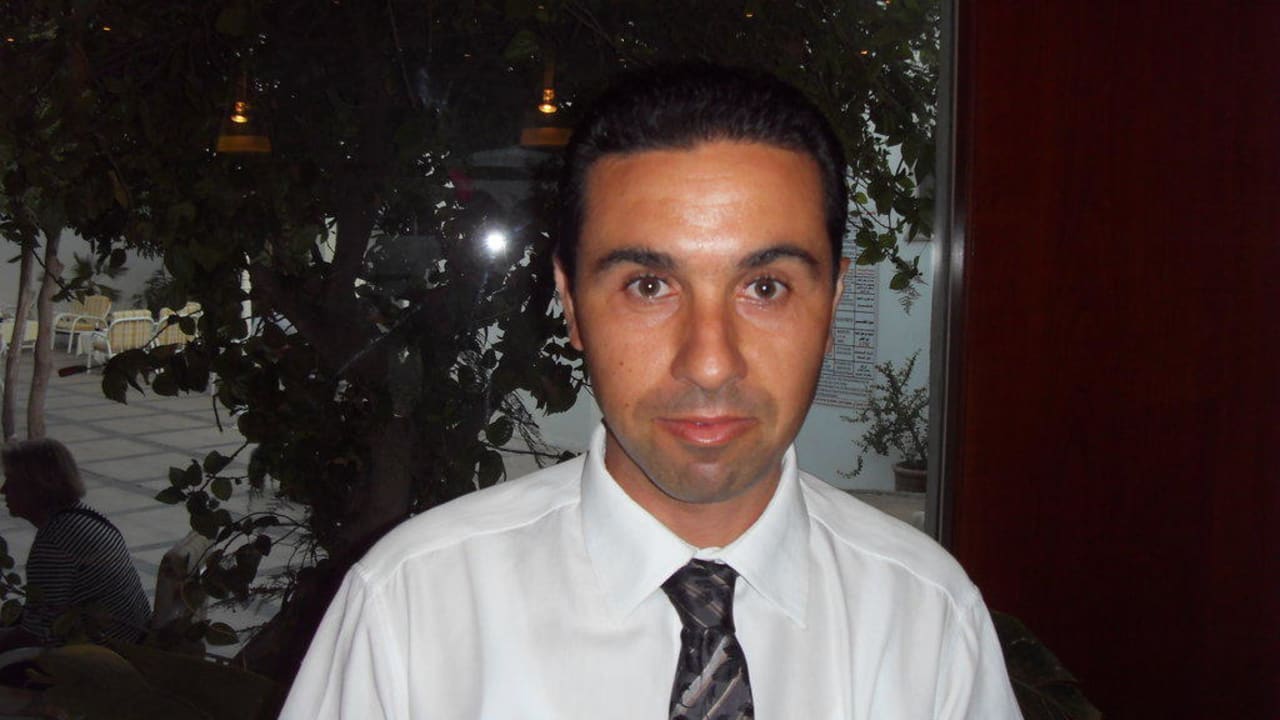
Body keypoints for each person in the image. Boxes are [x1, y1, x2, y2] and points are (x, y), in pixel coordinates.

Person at [280, 63, 1022, 719]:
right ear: (571, 304)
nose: (710, 363)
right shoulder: (410, 613)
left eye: (765, 287)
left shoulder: (927, 620)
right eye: (648, 286)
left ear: (831, 305)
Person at [0, 438, 151, 651]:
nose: (3, 490)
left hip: (104, 658)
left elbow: (36, 638)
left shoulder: (55, 542)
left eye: (11, 482)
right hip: (131, 640)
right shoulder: (83, 516)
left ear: (37, 487)